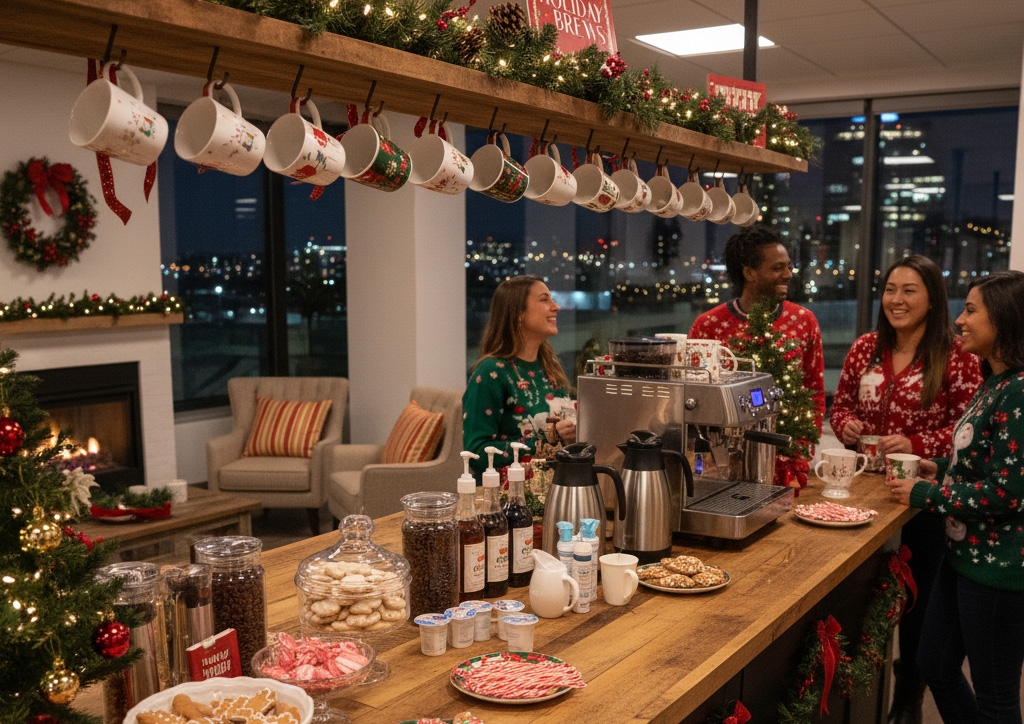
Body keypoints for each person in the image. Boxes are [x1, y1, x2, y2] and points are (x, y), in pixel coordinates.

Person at [829, 254, 983, 724]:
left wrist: (916, 444)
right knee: (860, 594)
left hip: (924, 500)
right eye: (890, 288)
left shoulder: (956, 356)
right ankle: (857, 696)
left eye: (909, 290)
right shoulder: (863, 349)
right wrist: (848, 427)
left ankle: (909, 699)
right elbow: (840, 409)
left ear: (933, 297)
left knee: (919, 606)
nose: (896, 299)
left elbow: (969, 427)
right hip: (864, 496)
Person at [887, 270, 1024, 724]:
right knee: (934, 665)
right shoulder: (995, 382)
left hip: (1001, 571)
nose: (960, 321)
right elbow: (982, 462)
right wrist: (940, 468)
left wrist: (928, 492)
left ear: (1004, 320)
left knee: (997, 698)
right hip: (964, 556)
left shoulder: (1020, 391)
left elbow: (1006, 492)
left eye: (971, 310)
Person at [688, 225, 825, 477]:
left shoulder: (804, 321)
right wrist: (707, 460)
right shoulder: (708, 326)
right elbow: (693, 398)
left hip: (788, 467)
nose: (788, 274)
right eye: (777, 268)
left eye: (788, 266)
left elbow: (814, 391)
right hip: (721, 469)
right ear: (749, 273)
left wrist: (800, 452)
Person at [463, 276, 576, 479]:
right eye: (544, 300)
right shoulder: (491, 372)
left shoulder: (549, 367)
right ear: (518, 313)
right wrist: (545, 441)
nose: (556, 307)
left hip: (555, 489)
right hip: (506, 500)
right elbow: (475, 453)